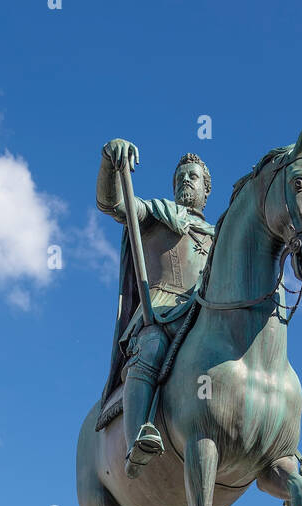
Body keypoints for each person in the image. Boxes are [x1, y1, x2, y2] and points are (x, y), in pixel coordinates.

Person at [96, 139, 214, 473]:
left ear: (207, 190)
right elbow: (114, 204)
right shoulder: (157, 214)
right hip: (162, 310)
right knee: (151, 346)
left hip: (204, 312)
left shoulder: (219, 236)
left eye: (192, 176)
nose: (184, 181)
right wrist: (109, 161)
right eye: (180, 177)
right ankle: (137, 440)